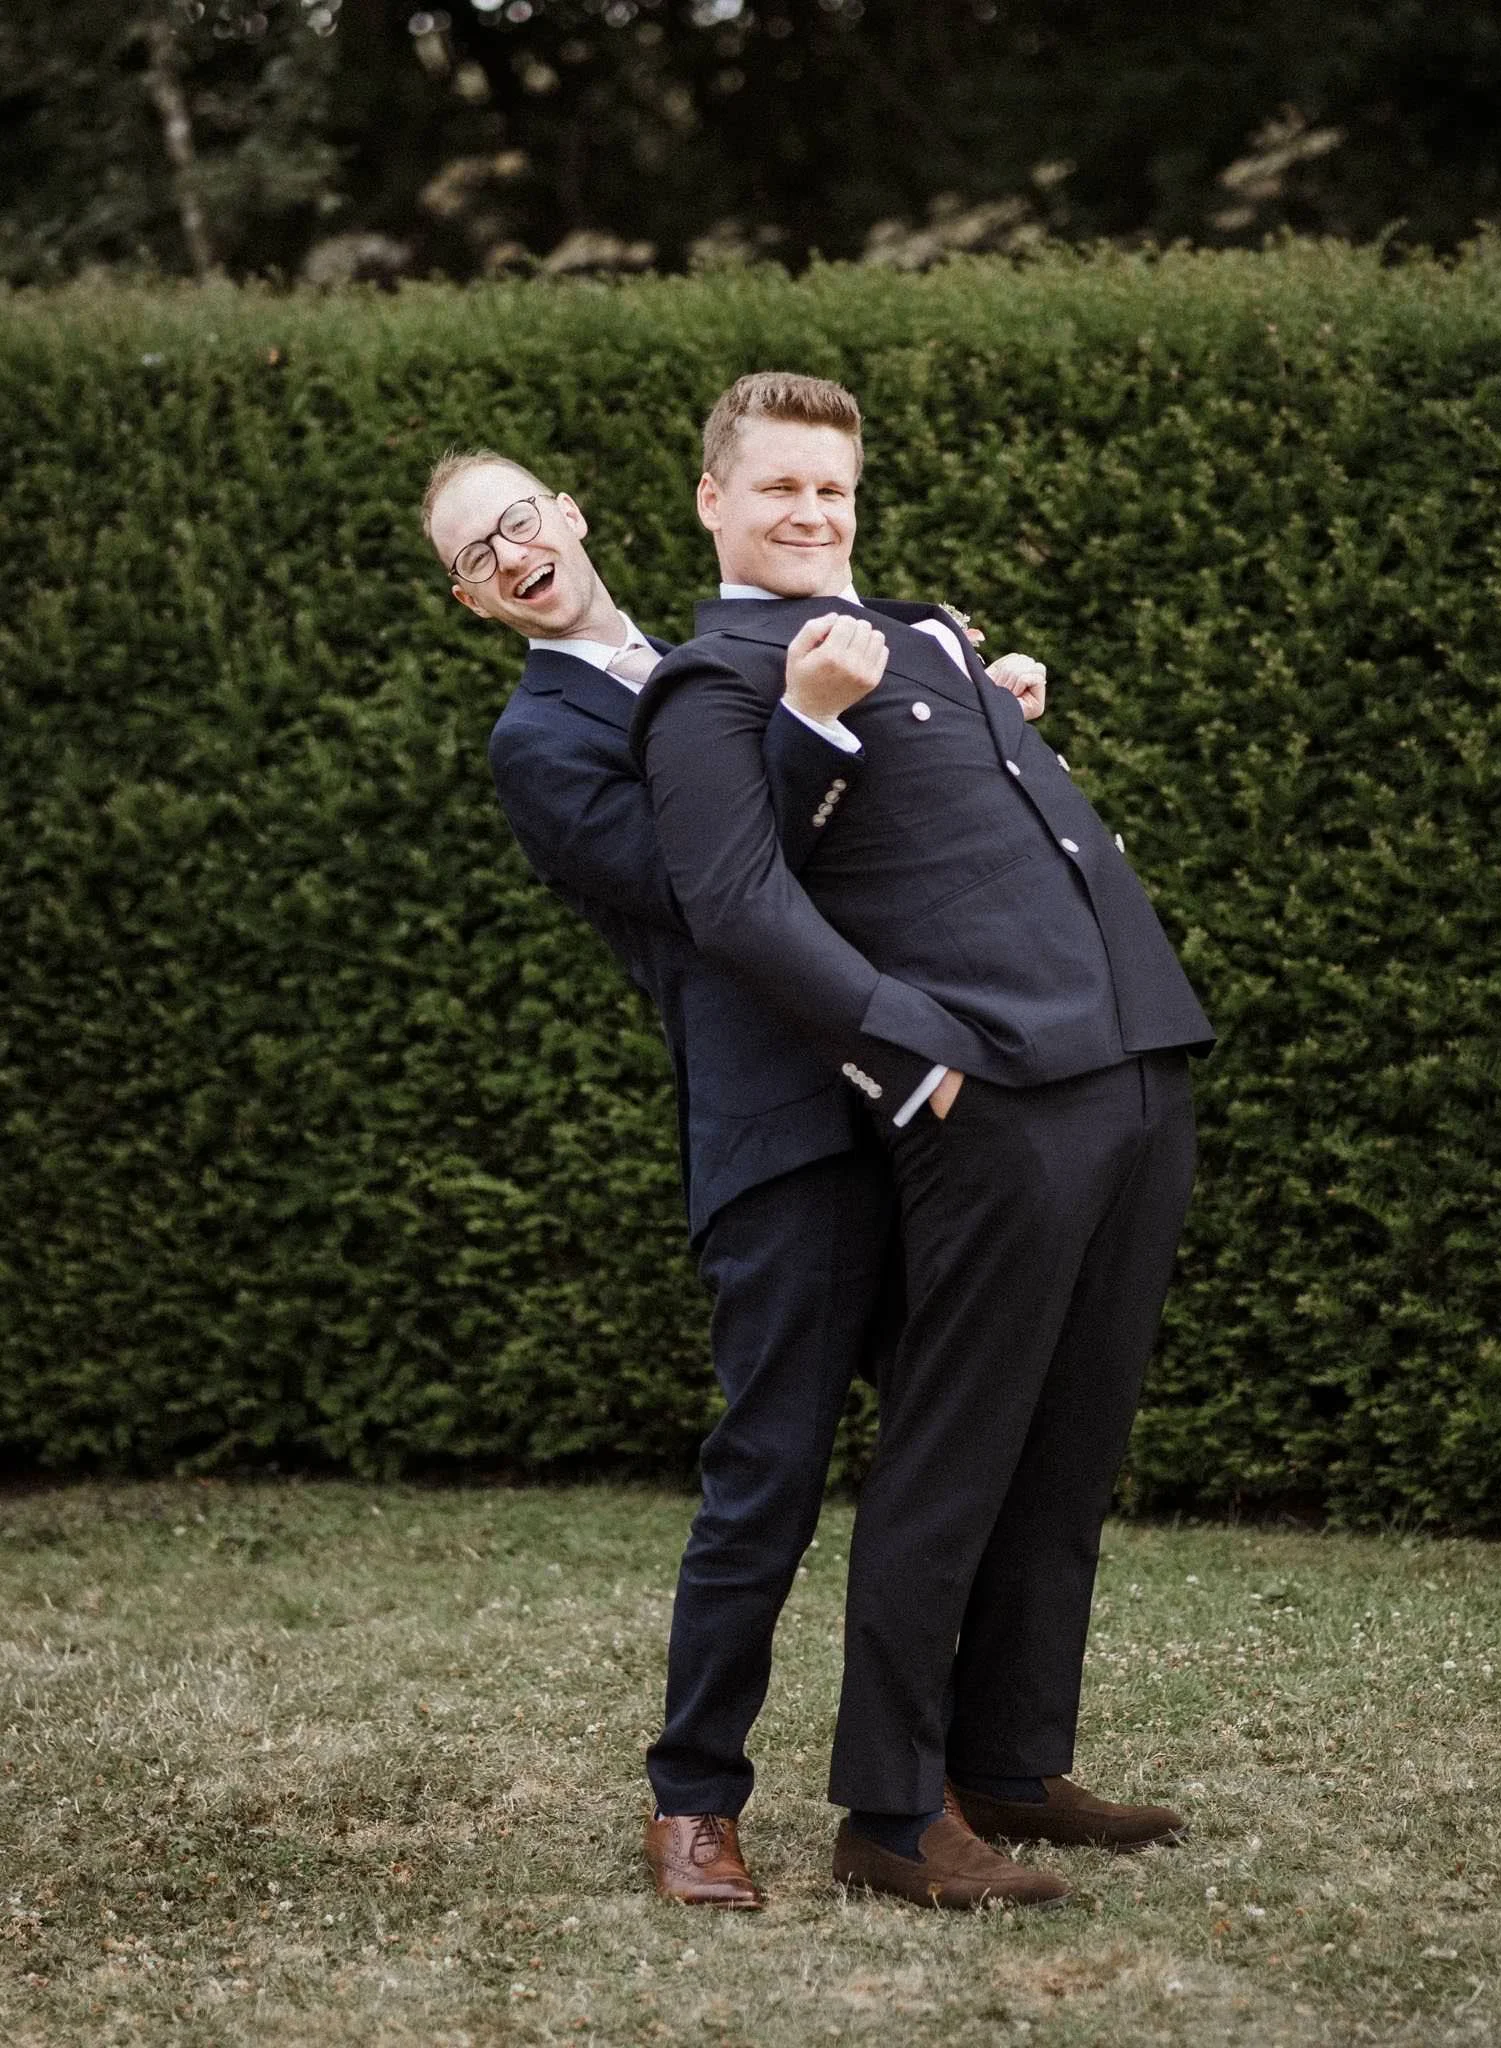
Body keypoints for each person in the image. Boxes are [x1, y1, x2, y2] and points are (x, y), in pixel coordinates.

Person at [420, 447, 1049, 1910]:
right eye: (475, 554)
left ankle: (933, 1791)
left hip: (922, 1091)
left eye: (519, 518)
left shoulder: (735, 646)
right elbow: (716, 880)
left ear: (570, 514)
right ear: (472, 602)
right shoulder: (540, 740)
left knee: (951, 1459)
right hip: (781, 1128)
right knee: (765, 1475)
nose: (510, 552)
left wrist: (973, 707)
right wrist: (816, 719)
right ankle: (692, 1803)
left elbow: (883, 818)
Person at [631, 373, 1215, 1911]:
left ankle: (1009, 1762)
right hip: (995, 1091)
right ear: (712, 500)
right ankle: (890, 1814)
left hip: (1134, 1060)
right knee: (953, 1457)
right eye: (779, 488)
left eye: (832, 488)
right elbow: (736, 905)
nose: (812, 513)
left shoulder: (919, 628)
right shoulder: (713, 683)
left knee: (1068, 1446)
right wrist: (913, 1060)